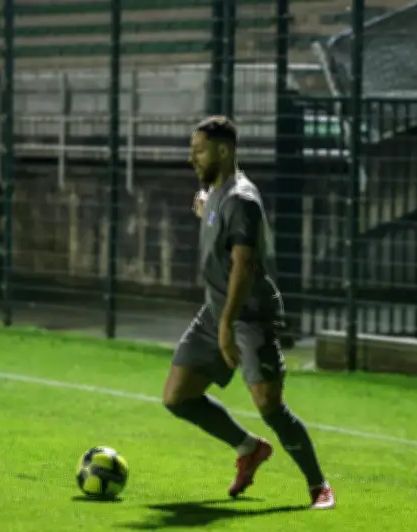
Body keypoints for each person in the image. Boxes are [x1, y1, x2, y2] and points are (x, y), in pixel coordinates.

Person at [162, 115, 336, 510]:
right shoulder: (215, 192)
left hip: (248, 316)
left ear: (224, 151)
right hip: (215, 311)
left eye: (200, 151)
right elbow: (211, 212)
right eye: (192, 151)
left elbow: (242, 265)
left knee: (269, 405)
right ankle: (249, 448)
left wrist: (226, 325)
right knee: (178, 397)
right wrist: (204, 206)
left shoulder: (242, 200)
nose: (193, 159)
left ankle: (319, 485)